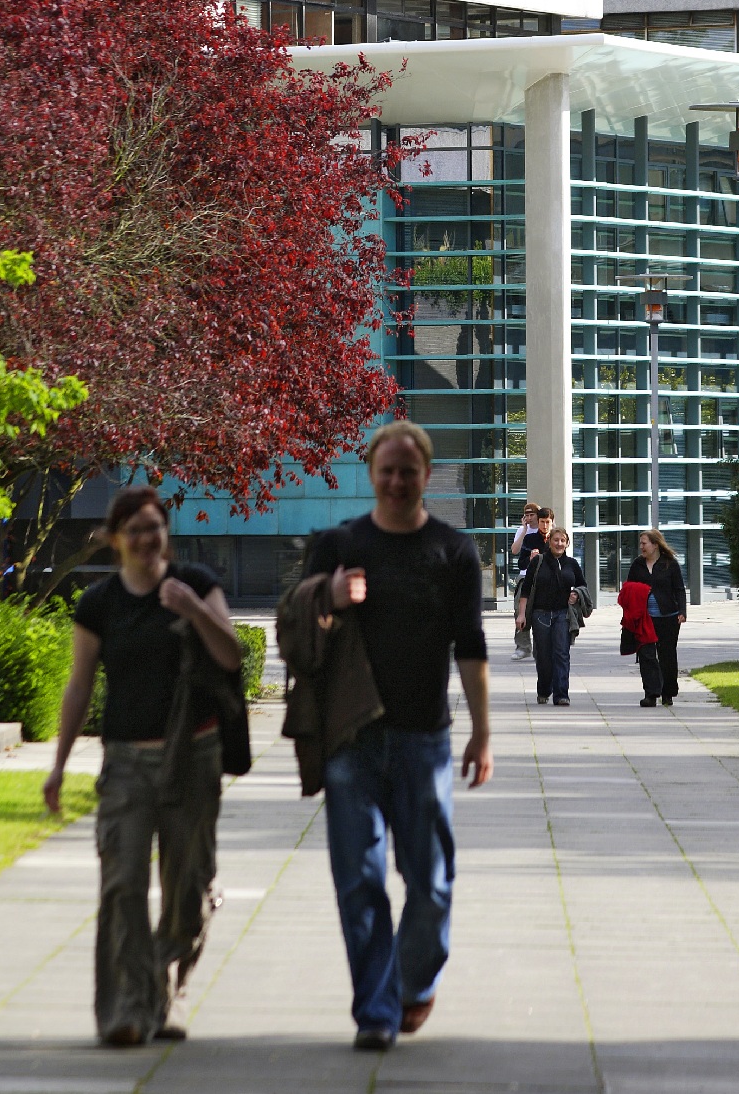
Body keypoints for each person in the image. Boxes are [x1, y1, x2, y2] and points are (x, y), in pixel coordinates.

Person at [295, 420, 493, 1053]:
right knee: (358, 880)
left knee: (431, 884)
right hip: (353, 738)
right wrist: (328, 592)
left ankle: (414, 981)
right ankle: (375, 1011)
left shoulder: (454, 552)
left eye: (409, 470)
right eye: (387, 469)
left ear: (425, 475)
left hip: (426, 740)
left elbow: (471, 646)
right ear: (372, 473)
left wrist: (482, 734)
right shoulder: (338, 544)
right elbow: (296, 624)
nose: (397, 480)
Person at [43, 486, 242, 1047]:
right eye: (135, 530)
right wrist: (57, 766)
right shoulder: (99, 604)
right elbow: (80, 685)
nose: (147, 538)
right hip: (126, 761)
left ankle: (169, 992)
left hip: (192, 757)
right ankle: (127, 1008)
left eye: (155, 527)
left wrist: (193, 609)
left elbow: (230, 655)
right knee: (123, 884)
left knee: (187, 888)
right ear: (115, 540)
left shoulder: (197, 584)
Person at [516, 525, 585, 707]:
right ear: (549, 542)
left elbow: (583, 585)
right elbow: (526, 590)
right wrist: (521, 614)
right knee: (544, 656)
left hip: (563, 614)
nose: (559, 543)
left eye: (563, 540)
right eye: (556, 540)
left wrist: (576, 594)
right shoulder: (538, 561)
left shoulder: (572, 564)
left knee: (562, 653)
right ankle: (544, 689)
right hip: (540, 615)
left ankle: (562, 694)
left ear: (567, 543)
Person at [625, 529, 687, 707]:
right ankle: (651, 694)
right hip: (645, 618)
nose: (641, 547)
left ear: (655, 544)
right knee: (646, 656)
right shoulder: (637, 564)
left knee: (667, 655)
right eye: (641, 543)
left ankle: (668, 692)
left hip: (668, 617)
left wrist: (682, 611)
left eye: (644, 543)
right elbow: (629, 589)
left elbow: (679, 590)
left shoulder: (670, 564)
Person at [509, 501, 541, 660]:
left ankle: (541, 647)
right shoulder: (522, 531)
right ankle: (523, 646)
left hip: (542, 575)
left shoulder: (545, 529)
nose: (529, 518)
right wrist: (524, 531)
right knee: (519, 609)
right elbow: (514, 550)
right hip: (524, 574)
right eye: (526, 515)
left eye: (532, 515)